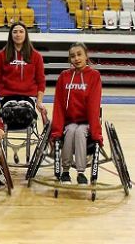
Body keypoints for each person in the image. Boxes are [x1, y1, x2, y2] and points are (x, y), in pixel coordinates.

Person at [50, 42, 102, 186]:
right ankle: (65, 171)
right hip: (69, 122)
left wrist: (96, 133)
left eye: (79, 54)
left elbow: (94, 106)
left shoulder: (94, 76)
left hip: (86, 122)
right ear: (69, 59)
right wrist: (56, 131)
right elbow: (59, 106)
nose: (76, 58)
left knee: (79, 132)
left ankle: (80, 172)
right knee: (72, 130)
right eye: (73, 56)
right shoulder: (64, 76)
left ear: (86, 56)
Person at [0, 22, 47, 119]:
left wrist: (39, 102)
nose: (18, 34)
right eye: (15, 32)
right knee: (7, 114)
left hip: (28, 97)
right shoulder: (1, 55)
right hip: (7, 97)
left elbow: (41, 81)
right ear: (11, 35)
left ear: (25, 34)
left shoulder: (36, 56)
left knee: (25, 115)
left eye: (21, 32)